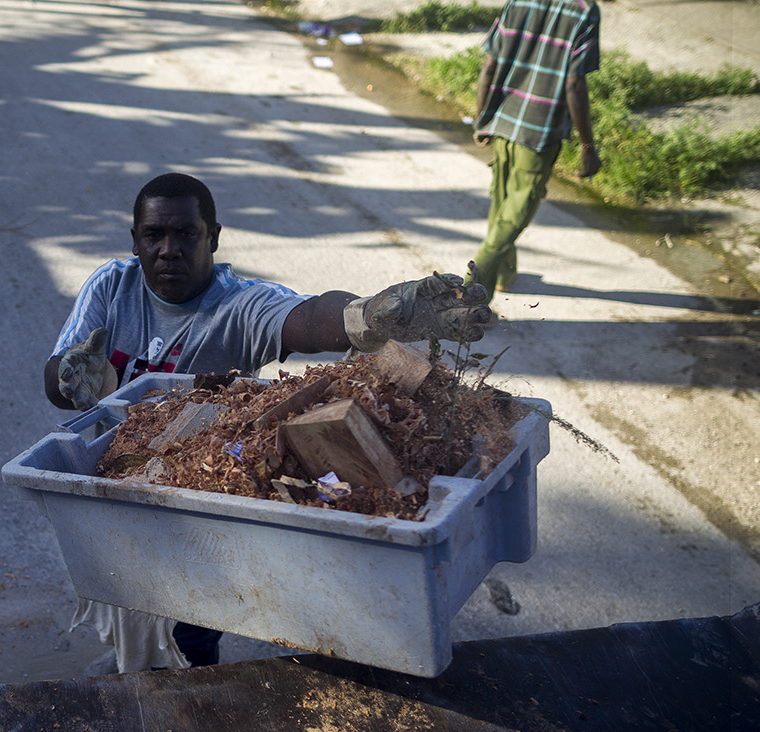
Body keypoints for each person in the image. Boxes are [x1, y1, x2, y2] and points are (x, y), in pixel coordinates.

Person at [41, 172, 492, 673]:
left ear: (212, 237)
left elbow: (309, 316)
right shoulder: (112, 285)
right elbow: (56, 381)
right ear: (135, 241)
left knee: (190, 623)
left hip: (194, 501)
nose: (169, 249)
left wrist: (371, 318)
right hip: (112, 491)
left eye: (186, 234)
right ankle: (138, 664)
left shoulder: (238, 303)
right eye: (154, 236)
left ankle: (190, 691)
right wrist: (67, 376)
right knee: (122, 592)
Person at [471, 0, 603, 296]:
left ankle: (504, 273)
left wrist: (483, 117)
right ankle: (470, 293)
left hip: (504, 118)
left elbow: (489, 64)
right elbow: (575, 85)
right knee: (516, 212)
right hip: (540, 129)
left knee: (504, 199)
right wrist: (587, 146)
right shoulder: (584, 10)